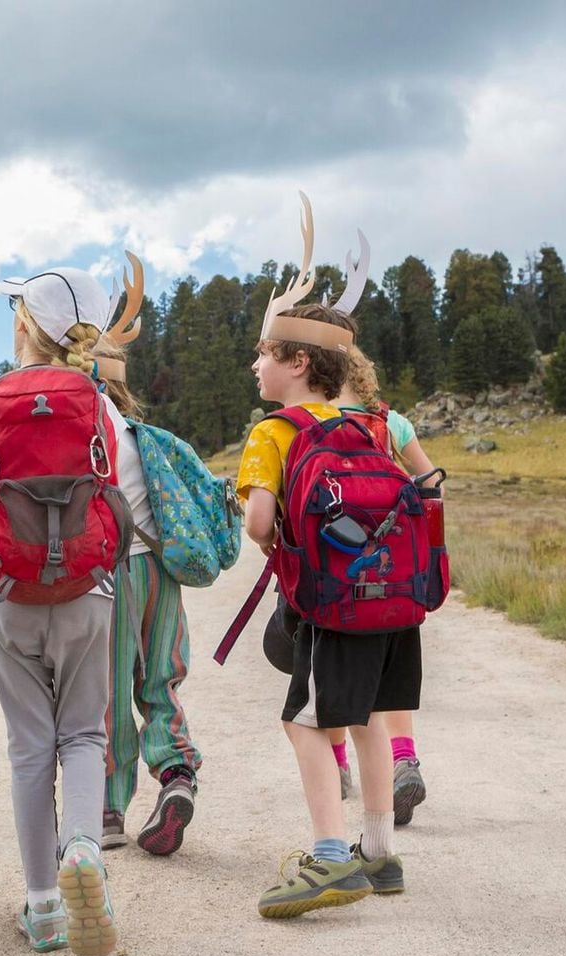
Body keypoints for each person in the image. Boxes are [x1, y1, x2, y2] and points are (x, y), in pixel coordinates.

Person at [0, 265, 136, 956]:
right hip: (87, 593)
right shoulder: (101, 403)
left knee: (30, 748)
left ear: (25, 326)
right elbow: (115, 492)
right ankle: (85, 848)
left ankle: (43, 907)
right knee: (84, 736)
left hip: (8, 594)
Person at [238, 302, 416, 918]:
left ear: (299, 361)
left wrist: (271, 538)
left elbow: (260, 519)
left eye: (264, 354)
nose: (256, 365)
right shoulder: (374, 423)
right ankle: (381, 853)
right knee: (367, 718)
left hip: (331, 605)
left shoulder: (275, 431)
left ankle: (330, 855)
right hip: (392, 600)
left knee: (306, 721)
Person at [327, 346, 437, 824]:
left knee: (328, 670)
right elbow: (430, 481)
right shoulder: (392, 423)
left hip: (335, 566)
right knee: (391, 670)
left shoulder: (315, 420)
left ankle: (337, 768)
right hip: (393, 570)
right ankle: (404, 759)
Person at [100, 371, 202, 857]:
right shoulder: (142, 436)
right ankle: (177, 775)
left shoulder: (85, 428)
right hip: (161, 570)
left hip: (110, 573)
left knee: (111, 689)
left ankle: (108, 809)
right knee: (163, 679)